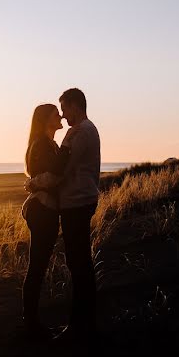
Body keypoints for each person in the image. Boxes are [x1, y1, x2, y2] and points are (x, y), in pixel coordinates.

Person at [53, 87, 101, 343]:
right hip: (78, 201)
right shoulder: (82, 130)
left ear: (75, 105)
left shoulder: (83, 131)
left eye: (64, 109)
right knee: (80, 262)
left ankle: (80, 325)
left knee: (79, 263)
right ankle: (84, 323)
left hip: (78, 202)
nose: (63, 116)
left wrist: (41, 181)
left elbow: (64, 169)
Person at [21, 103, 71, 339]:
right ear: (44, 120)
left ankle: (31, 323)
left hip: (44, 208)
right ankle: (31, 325)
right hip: (42, 210)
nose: (60, 116)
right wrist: (68, 151)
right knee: (37, 268)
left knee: (37, 267)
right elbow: (55, 175)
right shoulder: (42, 145)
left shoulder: (46, 144)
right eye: (55, 113)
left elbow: (50, 175)